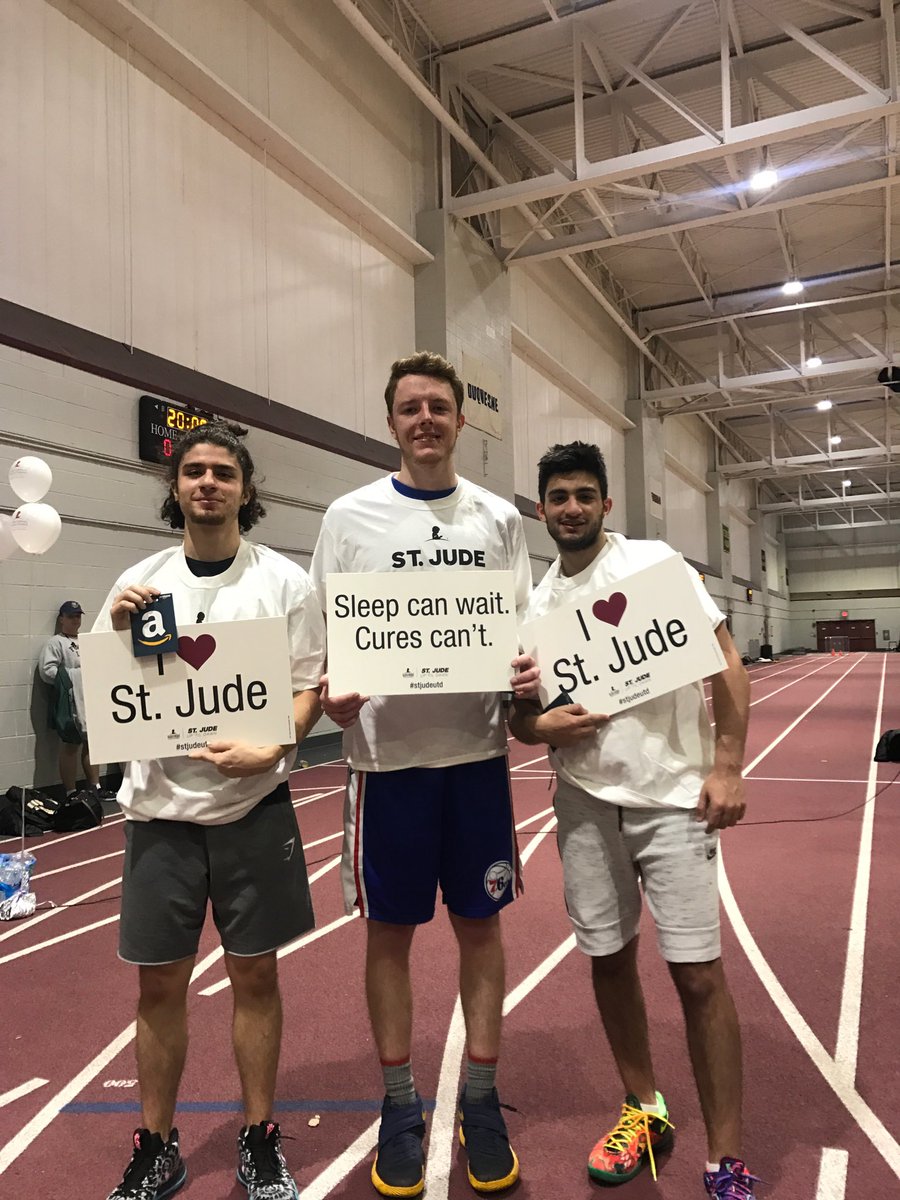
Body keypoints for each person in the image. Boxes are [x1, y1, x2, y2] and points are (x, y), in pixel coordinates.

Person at [310, 352, 539, 1197]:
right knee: (389, 936)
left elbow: (524, 631)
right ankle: (400, 1103)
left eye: (439, 407)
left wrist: (528, 673)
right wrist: (331, 698)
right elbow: (323, 639)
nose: (425, 420)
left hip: (475, 758)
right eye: (410, 408)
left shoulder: (498, 520)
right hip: (387, 764)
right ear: (392, 421)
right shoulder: (348, 516)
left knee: (482, 926)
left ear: (460, 420)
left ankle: (480, 1094)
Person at [509, 442, 758, 1199]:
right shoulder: (537, 605)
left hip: (675, 799)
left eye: (585, 494)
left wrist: (725, 765)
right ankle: (642, 1107)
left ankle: (726, 1157)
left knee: (699, 977)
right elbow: (522, 721)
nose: (573, 507)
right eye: (559, 496)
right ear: (542, 508)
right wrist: (542, 729)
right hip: (585, 804)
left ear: (606, 504)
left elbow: (725, 665)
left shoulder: (653, 567)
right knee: (608, 958)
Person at [93, 422, 325, 1200]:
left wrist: (278, 746)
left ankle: (260, 1139)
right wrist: (123, 636)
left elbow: (307, 687)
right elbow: (111, 697)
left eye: (223, 472)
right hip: (160, 815)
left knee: (254, 976)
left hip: (252, 807)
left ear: (246, 490)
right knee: (158, 987)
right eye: (193, 470)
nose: (207, 483)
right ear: (175, 487)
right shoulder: (140, 586)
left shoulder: (284, 584)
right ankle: (156, 1143)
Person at [38, 600, 112, 799]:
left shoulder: (87, 640)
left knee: (92, 744)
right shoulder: (56, 643)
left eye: (78, 616)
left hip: (90, 699)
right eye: (71, 616)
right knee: (71, 744)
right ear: (62, 618)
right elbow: (47, 671)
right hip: (70, 700)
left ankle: (95, 786)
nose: (75, 620)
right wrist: (74, 677)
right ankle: (70, 791)